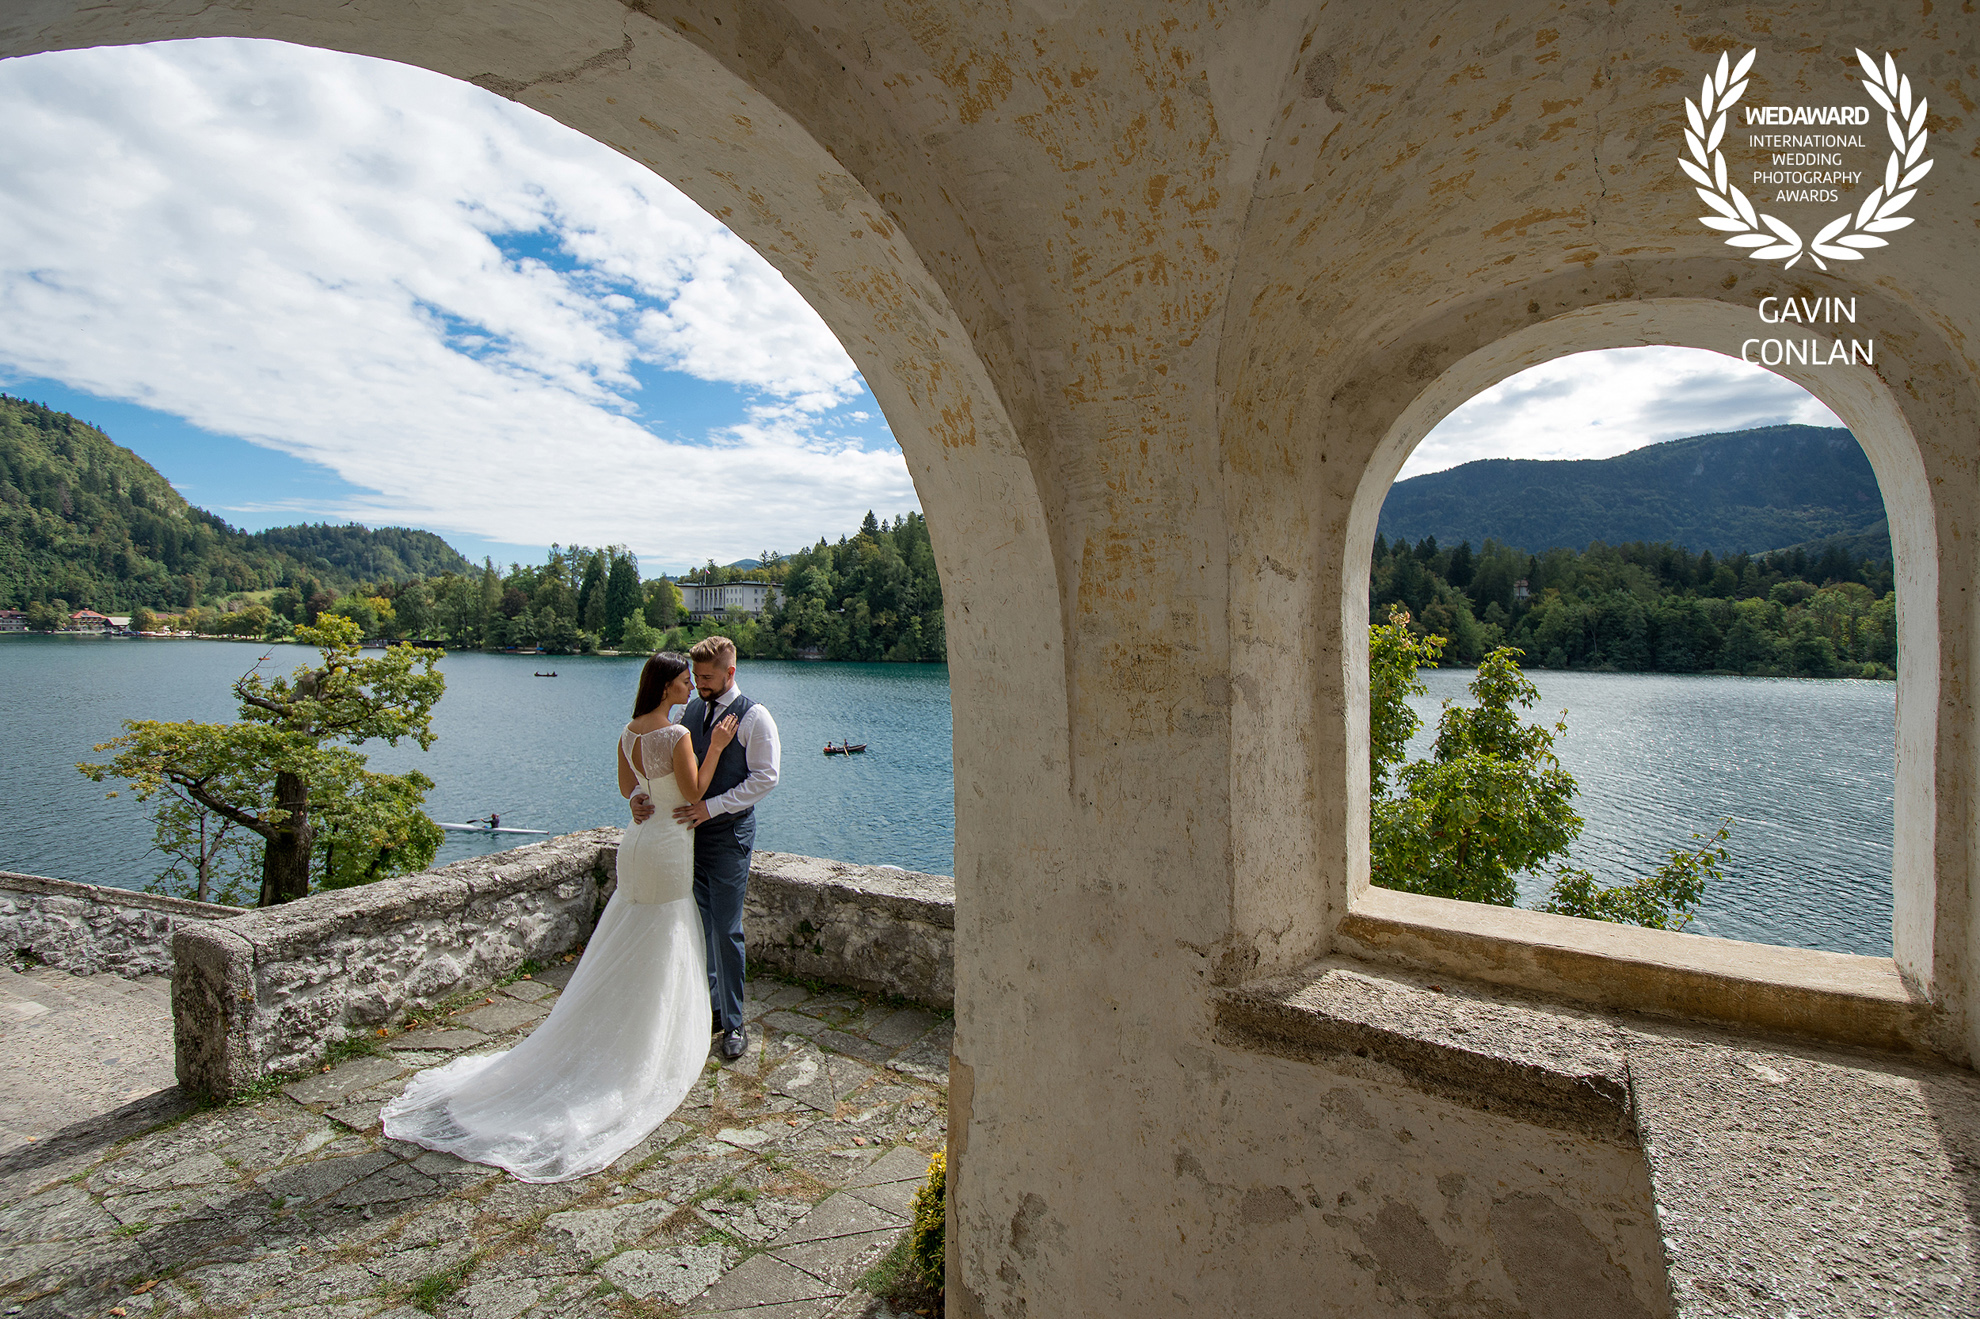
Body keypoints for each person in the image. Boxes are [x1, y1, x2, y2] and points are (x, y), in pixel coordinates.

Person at [380, 652, 737, 1182]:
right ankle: (648, 1040)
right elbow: (694, 793)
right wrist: (721, 748)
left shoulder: (629, 732)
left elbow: (626, 789)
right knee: (664, 933)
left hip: (637, 842)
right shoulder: (677, 735)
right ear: (666, 687)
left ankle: (618, 1025)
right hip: (666, 844)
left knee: (632, 929)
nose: (691, 686)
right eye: (685, 680)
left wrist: (641, 795)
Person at [630, 634, 780, 1061]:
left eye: (707, 676)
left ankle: (734, 1023)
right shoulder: (692, 708)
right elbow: (668, 766)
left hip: (728, 836)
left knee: (727, 929)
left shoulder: (755, 716)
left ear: (730, 672)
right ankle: (710, 1008)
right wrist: (640, 796)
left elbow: (765, 778)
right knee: (701, 925)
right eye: (695, 676)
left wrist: (710, 808)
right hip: (684, 837)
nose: (698, 684)